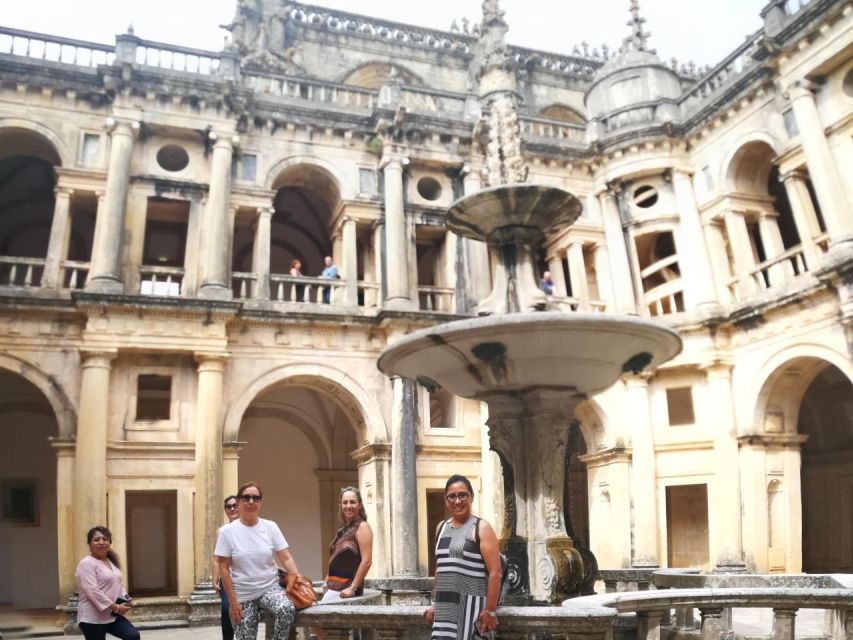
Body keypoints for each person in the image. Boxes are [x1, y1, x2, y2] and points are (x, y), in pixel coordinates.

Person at [215, 483, 300, 640]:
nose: (251, 501)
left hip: (269, 588)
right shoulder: (227, 532)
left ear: (260, 503)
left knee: (286, 609)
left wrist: (295, 575)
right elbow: (224, 568)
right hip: (242, 593)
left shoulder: (270, 527)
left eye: (256, 498)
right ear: (239, 502)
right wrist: (233, 603)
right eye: (246, 497)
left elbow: (285, 557)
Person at [424, 475, 501, 640]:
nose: (457, 501)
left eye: (462, 495)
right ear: (446, 500)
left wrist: (490, 611)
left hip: (471, 612)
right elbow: (441, 570)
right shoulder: (441, 528)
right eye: (452, 496)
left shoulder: (481, 527)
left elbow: (495, 572)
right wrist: (434, 604)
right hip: (444, 612)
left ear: (471, 497)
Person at [75, 526, 141, 640]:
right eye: (96, 540)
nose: (101, 542)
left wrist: (126, 597)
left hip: (112, 615)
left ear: (109, 542)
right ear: (89, 544)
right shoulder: (86, 563)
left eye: (105, 539)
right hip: (92, 618)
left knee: (133, 636)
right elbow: (92, 590)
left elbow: (118, 583)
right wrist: (115, 607)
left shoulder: (110, 561)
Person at [321, 486, 373, 602]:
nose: (348, 506)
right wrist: (326, 581)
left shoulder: (362, 527)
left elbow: (367, 561)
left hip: (346, 592)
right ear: (340, 506)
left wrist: (352, 588)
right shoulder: (344, 528)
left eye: (352, 502)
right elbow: (337, 558)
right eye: (345, 503)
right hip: (333, 589)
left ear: (360, 505)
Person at [212, 495, 240, 640]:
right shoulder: (221, 531)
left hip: (244, 578)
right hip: (227, 577)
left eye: (235, 505)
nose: (232, 508)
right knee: (225, 609)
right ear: (225, 510)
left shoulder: (248, 528)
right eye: (229, 507)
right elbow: (217, 558)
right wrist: (215, 580)